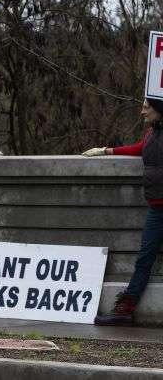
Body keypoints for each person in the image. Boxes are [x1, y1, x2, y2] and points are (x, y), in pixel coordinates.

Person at [82, 98, 163, 325]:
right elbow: (138, 148)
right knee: (144, 259)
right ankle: (125, 309)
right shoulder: (151, 133)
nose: (142, 111)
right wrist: (105, 151)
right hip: (156, 207)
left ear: (159, 109)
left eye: (147, 107)